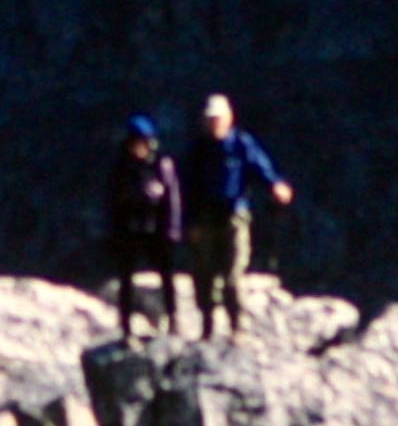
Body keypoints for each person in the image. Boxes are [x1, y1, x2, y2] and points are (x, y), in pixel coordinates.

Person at [180, 93, 293, 338]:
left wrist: (276, 185)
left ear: (229, 118)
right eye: (210, 119)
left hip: (234, 218)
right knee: (204, 275)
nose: (214, 123)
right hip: (205, 219)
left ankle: (236, 327)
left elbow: (261, 168)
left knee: (233, 276)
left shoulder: (242, 145)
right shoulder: (197, 151)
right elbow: (186, 187)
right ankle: (207, 325)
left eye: (219, 118)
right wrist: (189, 223)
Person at [105, 115, 183, 335]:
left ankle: (173, 318)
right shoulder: (121, 168)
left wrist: (172, 229)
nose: (142, 147)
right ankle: (126, 326)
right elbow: (111, 201)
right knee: (126, 278)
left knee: (166, 275)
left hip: (157, 229)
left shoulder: (162, 165)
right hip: (129, 229)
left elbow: (172, 199)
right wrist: (113, 233)